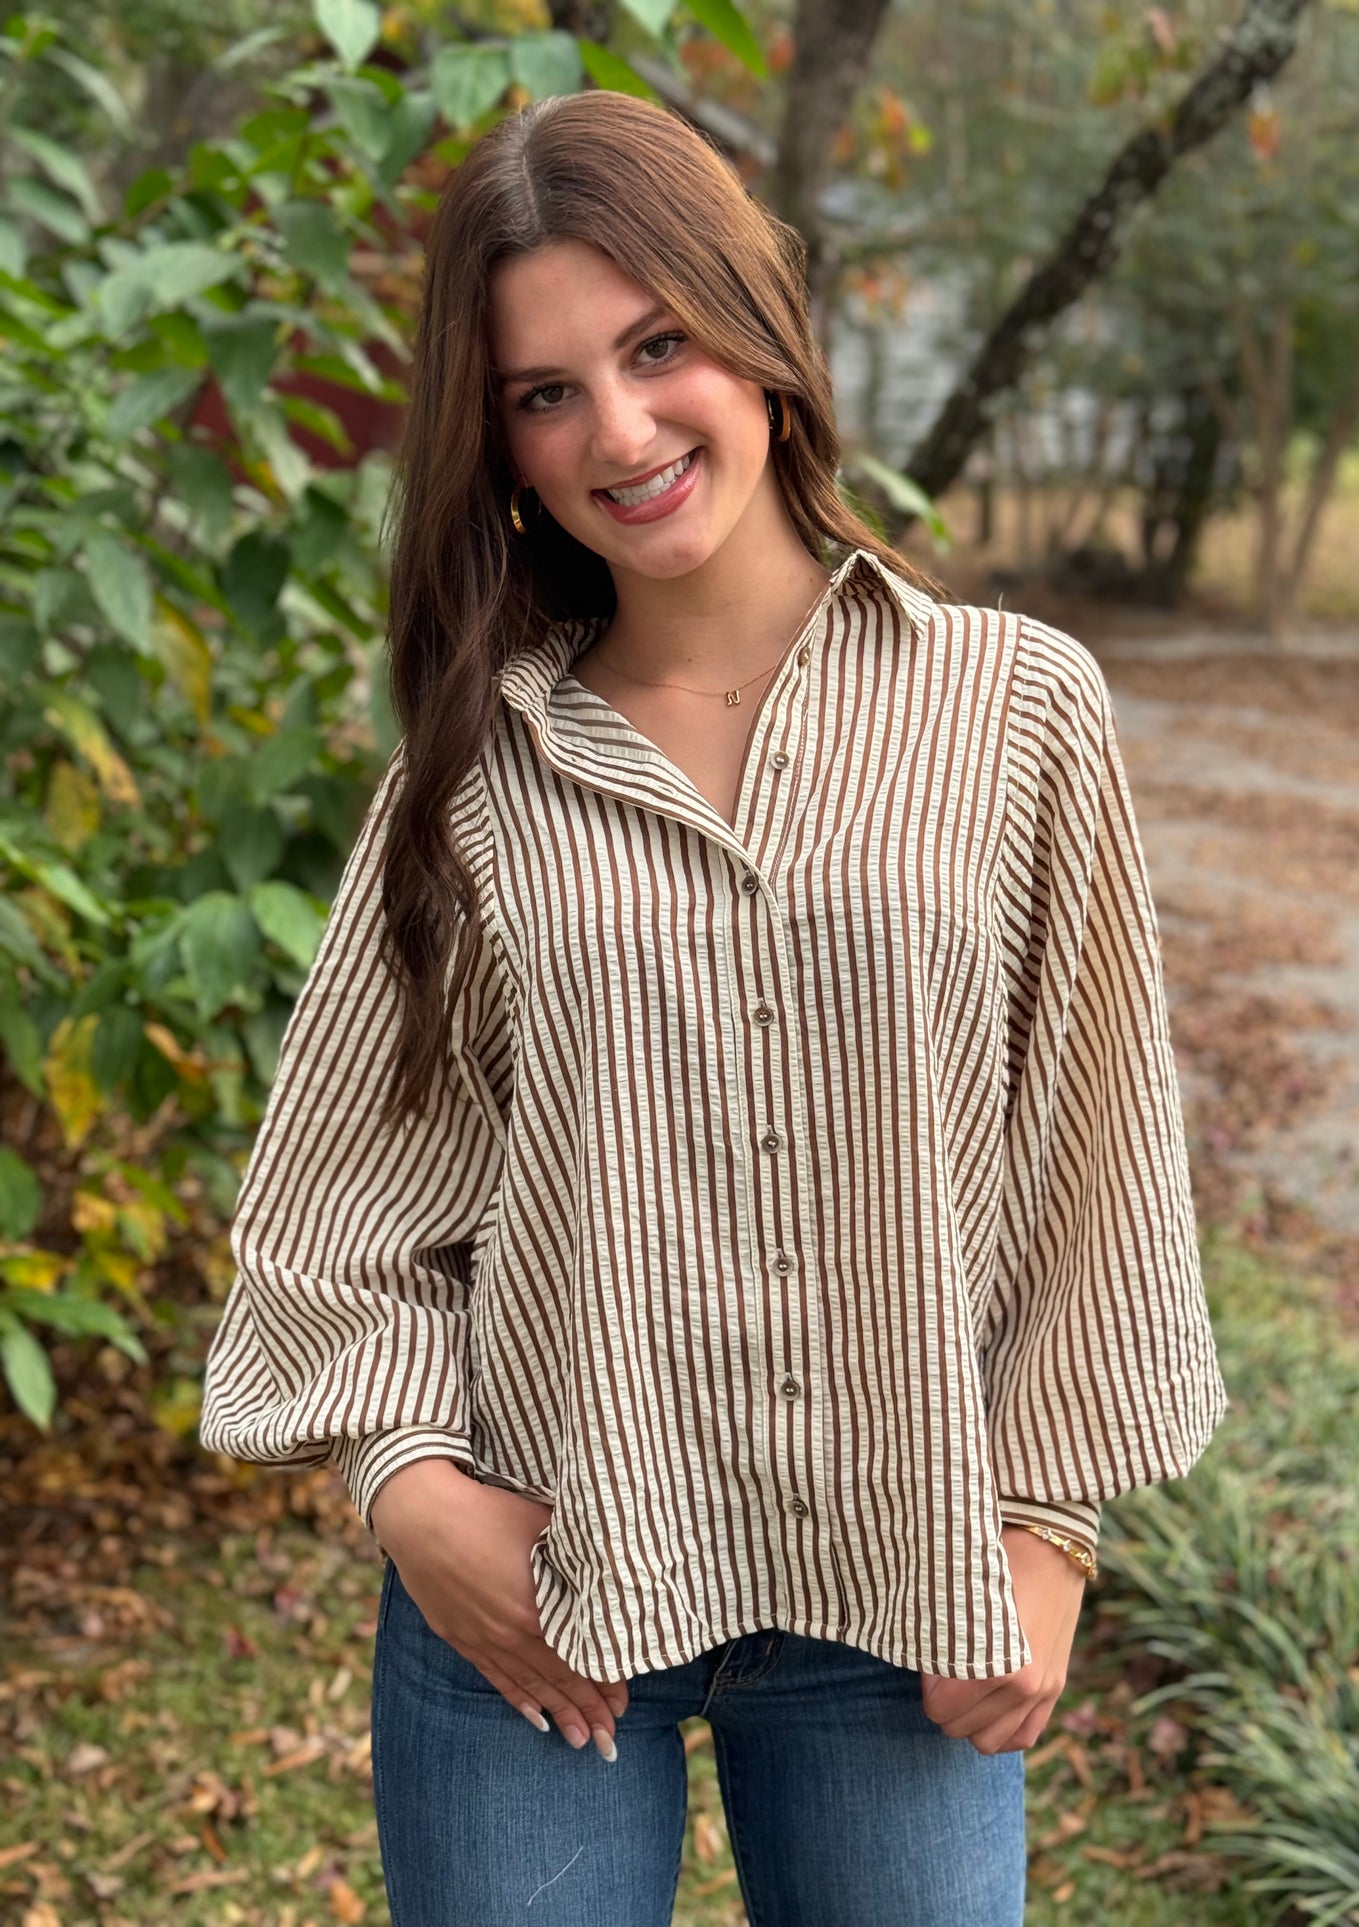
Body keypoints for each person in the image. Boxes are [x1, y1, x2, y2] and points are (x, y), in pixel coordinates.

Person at [198, 87, 1228, 1927]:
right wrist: (411, 1490)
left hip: (903, 1589)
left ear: (758, 332)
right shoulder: (472, 774)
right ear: (501, 447)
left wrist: (1048, 1530)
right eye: (545, 391)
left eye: (657, 345)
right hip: (539, 1577)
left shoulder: (1013, 710)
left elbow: (1094, 1161)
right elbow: (335, 1202)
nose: (619, 429)